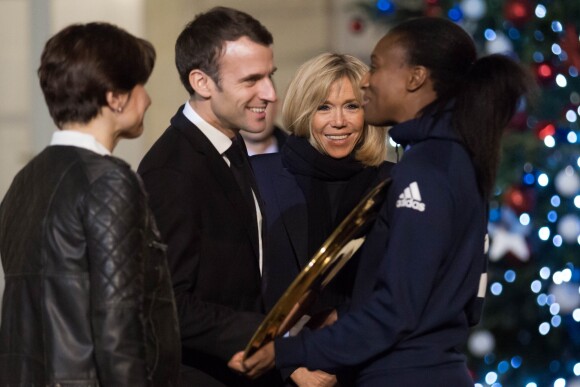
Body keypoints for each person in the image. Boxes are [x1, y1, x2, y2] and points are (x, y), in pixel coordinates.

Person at [229, 16, 534, 386]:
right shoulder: (454, 159)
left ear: (415, 77)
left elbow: (395, 309)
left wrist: (288, 351)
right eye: (324, 107)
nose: (368, 80)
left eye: (375, 66)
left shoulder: (421, 171)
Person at [0, 22, 180, 386]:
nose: (147, 98)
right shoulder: (108, 180)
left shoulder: (23, 181)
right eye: (139, 85)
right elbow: (119, 326)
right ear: (115, 98)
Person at [137, 7, 282, 386]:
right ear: (202, 82)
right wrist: (262, 335)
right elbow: (165, 303)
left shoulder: (229, 145)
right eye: (251, 80)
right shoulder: (171, 170)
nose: (269, 93)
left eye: (270, 76)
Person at [251, 52, 392, 386]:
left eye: (352, 106)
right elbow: (240, 290)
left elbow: (400, 288)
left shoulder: (393, 183)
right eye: (324, 107)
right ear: (304, 110)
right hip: (277, 373)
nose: (339, 121)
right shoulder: (258, 177)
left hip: (369, 369)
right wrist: (291, 365)